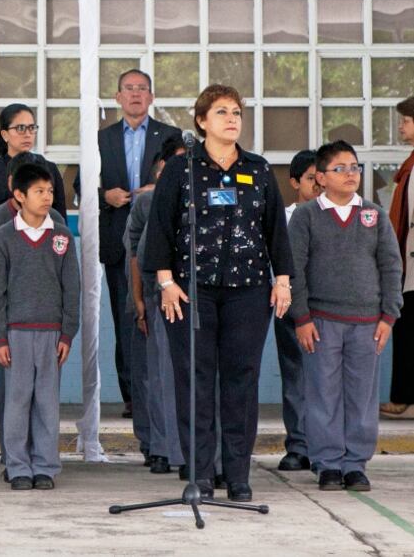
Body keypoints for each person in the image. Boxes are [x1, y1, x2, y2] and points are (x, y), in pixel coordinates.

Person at [144, 84, 293, 503]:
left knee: (241, 381)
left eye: (237, 113)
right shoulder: (182, 168)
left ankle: (238, 474)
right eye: (222, 112)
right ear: (201, 121)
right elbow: (160, 229)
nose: (232, 119)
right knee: (195, 380)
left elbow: (275, 231)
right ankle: (201, 473)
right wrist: (165, 281)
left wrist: (282, 279)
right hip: (191, 291)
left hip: (248, 291)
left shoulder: (258, 169)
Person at [289, 140, 402, 491]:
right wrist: (302, 317)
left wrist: (388, 316)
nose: (350, 174)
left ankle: (355, 463)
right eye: (340, 169)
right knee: (323, 393)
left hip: (368, 323)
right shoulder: (307, 216)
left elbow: (390, 266)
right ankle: (327, 463)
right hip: (321, 321)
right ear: (320, 177)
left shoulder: (373, 215)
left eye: (354, 167)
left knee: (362, 394)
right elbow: (295, 270)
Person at [0, 163, 79, 491]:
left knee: (47, 402)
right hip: (16, 333)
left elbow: (73, 288)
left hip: (52, 332)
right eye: (39, 191)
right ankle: (18, 467)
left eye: (50, 191)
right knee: (17, 400)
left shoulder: (63, 235)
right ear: (19, 196)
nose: (47, 197)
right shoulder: (3, 237)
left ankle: (45, 466)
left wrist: (68, 332)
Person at [95, 70, 181, 416]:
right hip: (119, 241)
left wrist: (155, 191)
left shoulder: (171, 136)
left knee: (165, 317)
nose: (135, 94)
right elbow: (79, 186)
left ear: (151, 97)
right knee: (127, 317)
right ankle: (133, 395)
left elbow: (181, 181)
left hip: (161, 239)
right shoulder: (102, 139)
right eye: (128, 89)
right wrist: (105, 196)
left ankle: (166, 389)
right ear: (117, 97)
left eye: (141, 89)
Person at [0, 104, 67, 353]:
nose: (27, 134)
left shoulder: (49, 170)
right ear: (4, 134)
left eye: (31, 128)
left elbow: (60, 226)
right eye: (20, 128)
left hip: (41, 274)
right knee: (2, 350)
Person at [124, 136, 185, 475]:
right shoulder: (147, 204)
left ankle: (190, 448)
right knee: (160, 375)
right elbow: (136, 253)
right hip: (157, 295)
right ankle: (162, 447)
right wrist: (138, 301)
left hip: (196, 296)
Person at [274, 150, 321, 471]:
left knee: (328, 380)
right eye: (310, 179)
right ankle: (299, 444)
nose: (318, 186)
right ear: (294, 182)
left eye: (322, 178)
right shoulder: (285, 218)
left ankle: (328, 447)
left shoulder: (336, 214)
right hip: (293, 309)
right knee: (296, 378)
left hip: (329, 309)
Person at [384, 96, 414, 419]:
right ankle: (404, 395)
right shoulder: (410, 165)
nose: (402, 127)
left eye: (406, 121)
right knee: (406, 330)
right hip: (407, 264)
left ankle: (404, 396)